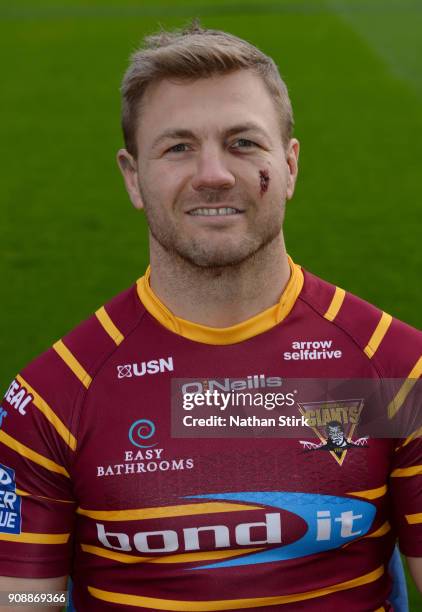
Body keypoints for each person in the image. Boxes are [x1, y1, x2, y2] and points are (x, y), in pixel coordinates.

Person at [0, 22, 421, 611]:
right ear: (133, 178)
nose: (213, 174)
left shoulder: (395, 373)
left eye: (243, 143)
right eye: (178, 147)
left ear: (291, 165)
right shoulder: (53, 397)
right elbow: (22, 603)